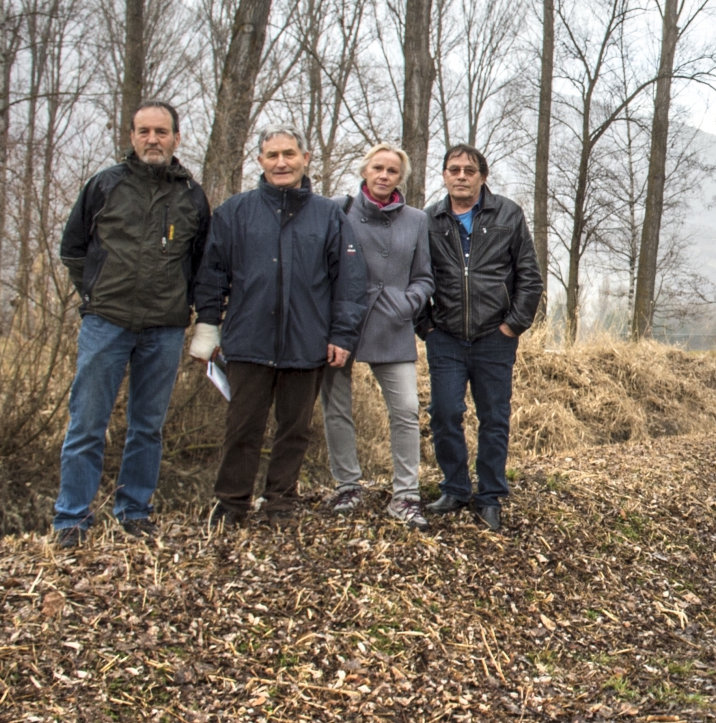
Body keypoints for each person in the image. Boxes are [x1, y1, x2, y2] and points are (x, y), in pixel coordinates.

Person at [53, 101, 212, 548]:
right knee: (87, 423)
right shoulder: (104, 185)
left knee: (147, 426)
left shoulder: (192, 196)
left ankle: (134, 511)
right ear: (132, 136)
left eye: (161, 132)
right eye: (144, 131)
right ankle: (71, 519)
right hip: (107, 322)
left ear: (177, 139)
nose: (152, 139)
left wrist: (201, 319)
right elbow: (73, 249)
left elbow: (201, 265)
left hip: (164, 327)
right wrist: (95, 295)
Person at [191, 128, 365, 527]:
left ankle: (281, 501)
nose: (281, 162)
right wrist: (208, 327)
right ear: (260, 161)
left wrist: (342, 334)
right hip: (248, 339)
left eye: (289, 154)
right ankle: (232, 504)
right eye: (272, 155)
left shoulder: (328, 216)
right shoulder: (234, 212)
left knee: (294, 430)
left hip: (306, 342)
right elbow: (212, 275)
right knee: (242, 427)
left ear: (305, 158)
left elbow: (350, 281)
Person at [421, 145, 539, 531]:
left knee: (494, 419)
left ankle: (490, 496)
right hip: (447, 338)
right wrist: (427, 327)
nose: (461, 176)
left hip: (494, 338)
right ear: (443, 176)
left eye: (469, 170)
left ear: (482, 176)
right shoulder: (429, 220)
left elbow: (530, 278)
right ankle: (455, 488)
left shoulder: (508, 214)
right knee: (444, 414)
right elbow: (415, 277)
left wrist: (511, 327)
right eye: (453, 169)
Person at [321, 143, 433, 530]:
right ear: (365, 170)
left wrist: (408, 303)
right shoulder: (338, 208)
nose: (384, 176)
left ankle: (405, 495)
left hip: (393, 323)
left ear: (401, 179)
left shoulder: (417, 220)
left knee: (405, 409)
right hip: (342, 324)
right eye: (378, 168)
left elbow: (424, 276)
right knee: (336, 406)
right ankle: (347, 485)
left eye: (392, 171)